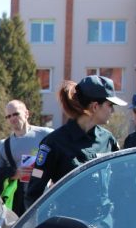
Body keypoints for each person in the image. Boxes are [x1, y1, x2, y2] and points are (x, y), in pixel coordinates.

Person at [26, 75, 124, 207]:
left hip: (103, 223)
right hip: (70, 223)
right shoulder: (53, 143)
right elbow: (34, 192)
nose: (112, 110)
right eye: (110, 105)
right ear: (95, 106)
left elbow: (118, 183)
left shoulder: (108, 140)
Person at [0, 100, 53, 215]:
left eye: (16, 114)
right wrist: (14, 173)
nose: (12, 118)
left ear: (26, 114)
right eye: (8, 116)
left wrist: (53, 179)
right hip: (18, 204)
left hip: (46, 198)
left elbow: (63, 159)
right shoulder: (2, 146)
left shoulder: (47, 135)